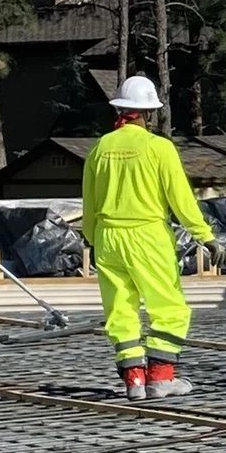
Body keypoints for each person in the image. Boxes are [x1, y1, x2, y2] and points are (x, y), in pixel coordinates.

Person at [81, 73, 214, 401]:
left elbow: (90, 202)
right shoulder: (159, 148)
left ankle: (134, 382)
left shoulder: (100, 149)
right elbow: (180, 198)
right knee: (169, 308)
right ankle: (160, 379)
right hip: (148, 236)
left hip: (108, 238)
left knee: (120, 311)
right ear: (148, 113)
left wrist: (92, 238)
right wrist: (205, 236)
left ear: (120, 110)